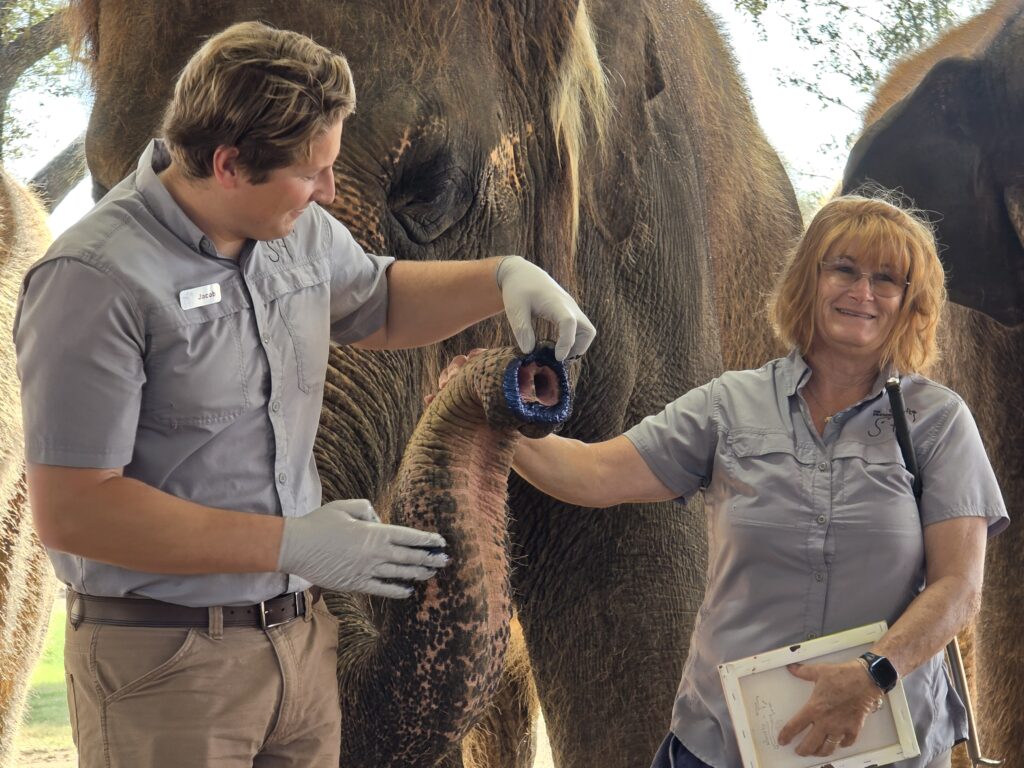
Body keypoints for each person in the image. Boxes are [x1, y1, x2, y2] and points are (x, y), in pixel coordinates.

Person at [12, 21, 595, 768]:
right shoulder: (93, 280)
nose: (326, 190)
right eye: (312, 172)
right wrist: (293, 543)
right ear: (226, 165)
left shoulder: (296, 232)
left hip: (298, 647)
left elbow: (378, 300)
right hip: (166, 664)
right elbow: (76, 510)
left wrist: (500, 277)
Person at [440, 194, 1007, 768]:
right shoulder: (729, 404)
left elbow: (959, 588)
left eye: (886, 279)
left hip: (884, 743)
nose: (862, 293)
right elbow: (594, 474)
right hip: (724, 745)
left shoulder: (936, 420)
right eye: (844, 269)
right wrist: (493, 407)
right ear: (808, 279)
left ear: (911, 302)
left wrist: (872, 675)